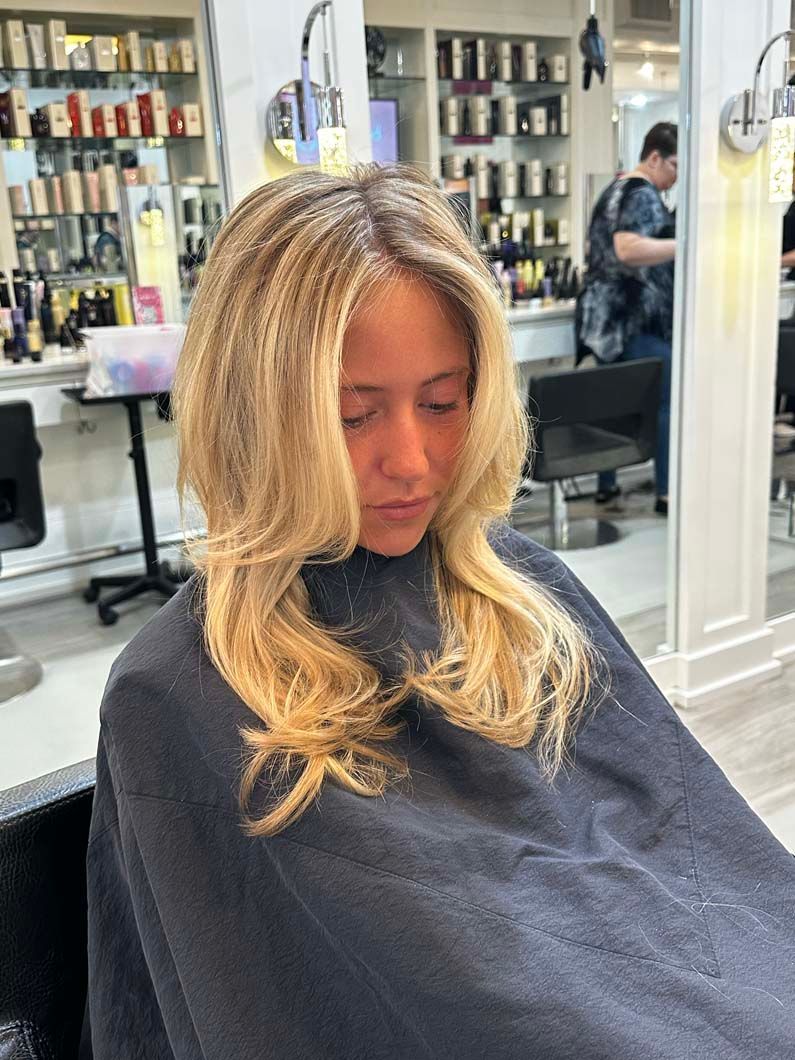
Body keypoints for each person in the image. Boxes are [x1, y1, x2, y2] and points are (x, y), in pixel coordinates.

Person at [82, 164, 795, 1059]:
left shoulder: (523, 589)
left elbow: (693, 873)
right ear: (251, 413)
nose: (412, 461)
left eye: (442, 403)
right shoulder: (174, 692)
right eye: (352, 416)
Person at [579, 122, 677, 515]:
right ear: (653, 157)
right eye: (673, 164)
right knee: (664, 405)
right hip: (638, 319)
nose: (675, 175)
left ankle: (607, 484)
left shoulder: (613, 190)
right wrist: (685, 243)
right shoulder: (643, 194)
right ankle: (667, 490)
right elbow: (627, 248)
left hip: (606, 322)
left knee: (612, 403)